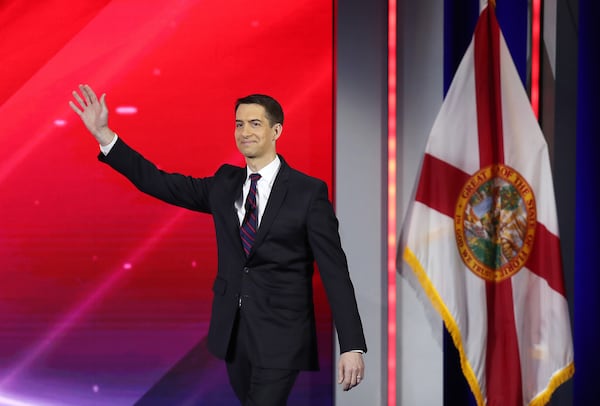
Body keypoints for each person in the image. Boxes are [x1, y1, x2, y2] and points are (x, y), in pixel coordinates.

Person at [69, 84, 367, 405]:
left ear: (276, 130)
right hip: (234, 335)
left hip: (282, 336)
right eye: (239, 124)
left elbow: (335, 272)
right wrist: (104, 135)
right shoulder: (225, 183)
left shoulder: (307, 192)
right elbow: (158, 181)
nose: (245, 132)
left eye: (255, 123)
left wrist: (351, 345)